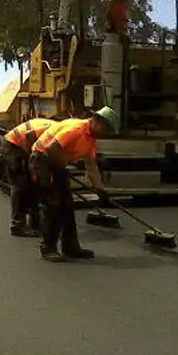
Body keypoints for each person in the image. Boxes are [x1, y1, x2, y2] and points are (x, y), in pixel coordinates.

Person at [29, 107, 119, 262]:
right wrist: (62, 165)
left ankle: (70, 247)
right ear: (96, 121)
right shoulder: (76, 129)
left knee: (67, 206)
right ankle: (48, 248)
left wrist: (100, 189)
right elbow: (52, 149)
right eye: (105, 128)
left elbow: (91, 166)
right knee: (53, 205)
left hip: (57, 163)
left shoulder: (90, 139)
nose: (106, 133)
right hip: (42, 161)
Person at [0, 118, 55, 237]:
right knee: (20, 185)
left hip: (21, 147)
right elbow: (30, 136)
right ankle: (17, 225)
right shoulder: (52, 129)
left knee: (33, 184)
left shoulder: (57, 129)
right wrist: (32, 160)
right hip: (13, 145)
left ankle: (35, 223)